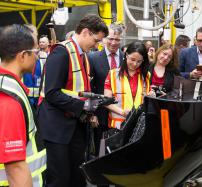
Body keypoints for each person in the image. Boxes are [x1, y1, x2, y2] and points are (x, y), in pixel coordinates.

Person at [37, 15, 108, 187]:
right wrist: (84, 105)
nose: (97, 45)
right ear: (85, 32)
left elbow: (76, 90)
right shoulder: (61, 52)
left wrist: (88, 108)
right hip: (57, 128)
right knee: (59, 179)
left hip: (74, 124)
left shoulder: (82, 55)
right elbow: (52, 93)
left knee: (77, 176)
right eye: (96, 40)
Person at [0, 24, 46, 187]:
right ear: (23, 56)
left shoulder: (6, 85)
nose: (37, 57)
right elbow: (16, 168)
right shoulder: (6, 99)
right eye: (35, 52)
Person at [88, 23, 124, 156]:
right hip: (101, 115)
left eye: (117, 39)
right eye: (110, 38)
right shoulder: (93, 58)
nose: (113, 42)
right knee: (101, 151)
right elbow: (89, 87)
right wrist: (91, 113)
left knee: (119, 151)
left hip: (122, 114)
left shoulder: (126, 58)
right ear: (104, 39)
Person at [104, 41, 150, 129]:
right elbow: (106, 102)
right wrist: (122, 112)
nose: (135, 64)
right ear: (126, 55)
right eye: (132, 59)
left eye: (139, 61)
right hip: (117, 126)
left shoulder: (146, 76)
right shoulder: (113, 74)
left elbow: (146, 101)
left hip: (138, 126)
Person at [22, 27, 45, 107]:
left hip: (39, 102)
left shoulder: (42, 58)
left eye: (35, 35)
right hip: (24, 101)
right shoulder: (19, 58)